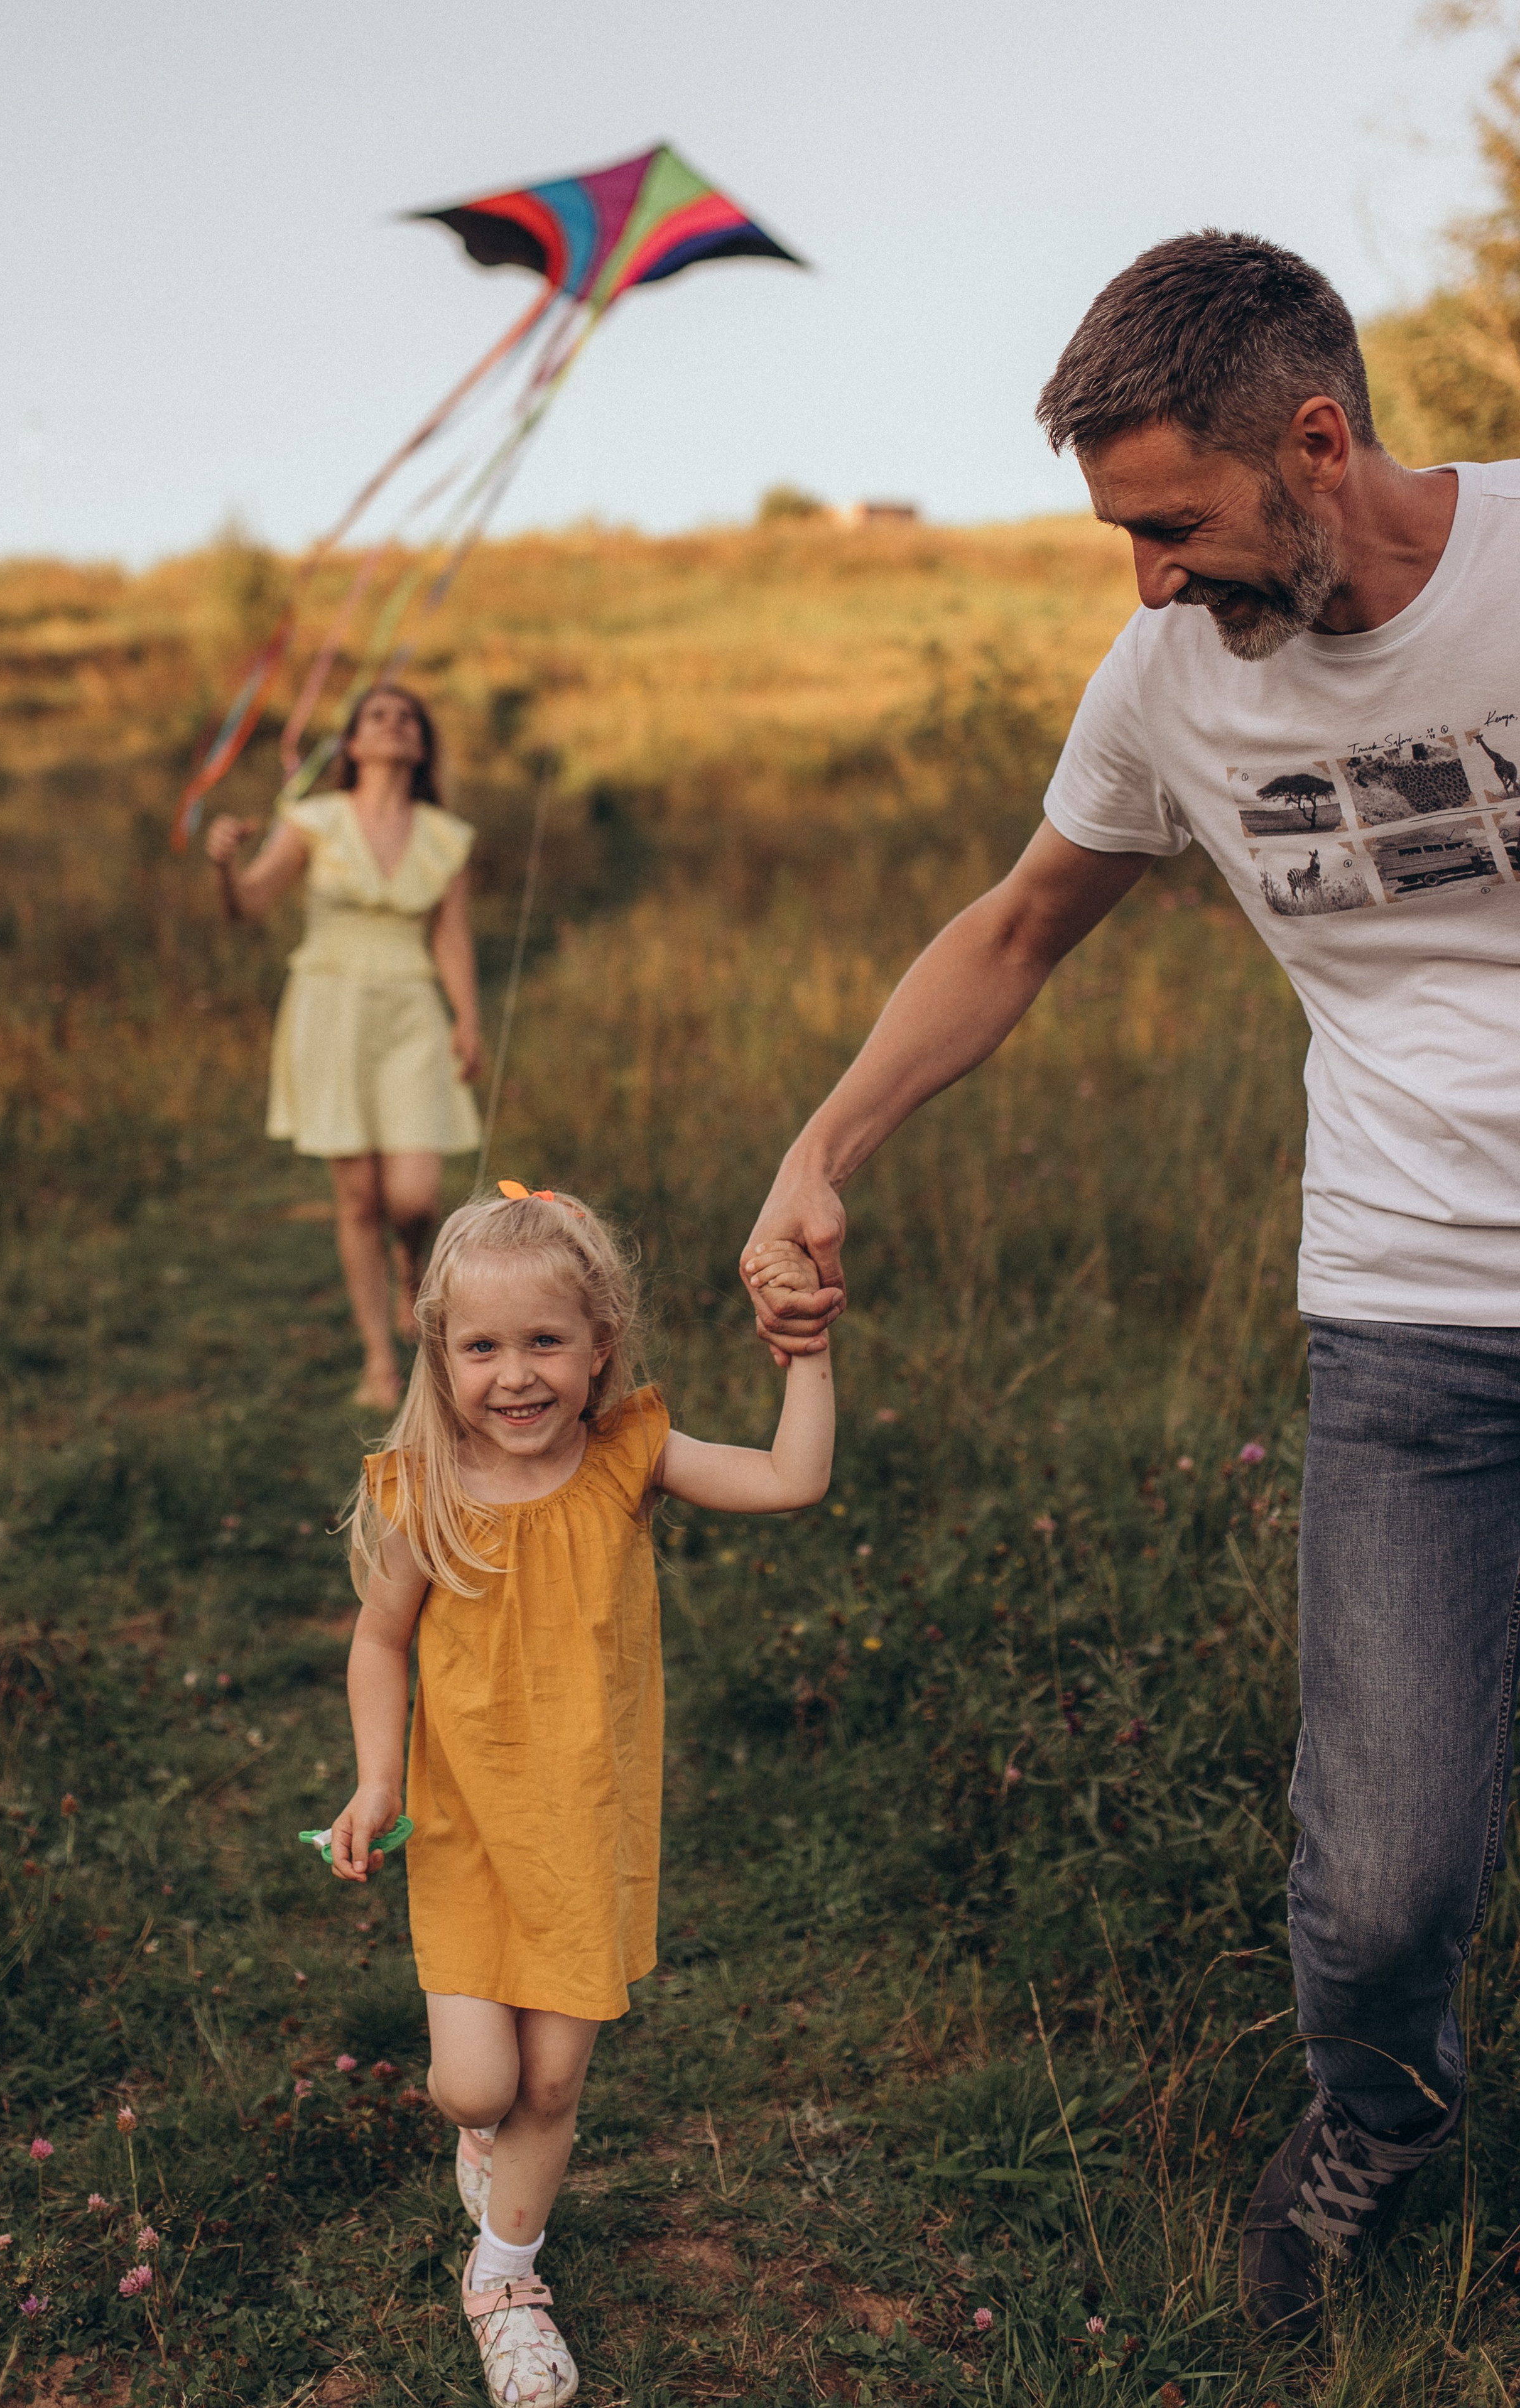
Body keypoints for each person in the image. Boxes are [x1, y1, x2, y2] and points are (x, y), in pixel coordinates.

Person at [742, 230, 1520, 2338]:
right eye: (1122, 536)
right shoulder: (1170, 685)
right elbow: (1017, 925)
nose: (1150, 581)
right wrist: (821, 1150)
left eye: (1172, 526)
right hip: (1409, 1326)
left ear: (1319, 442)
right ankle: (1381, 2106)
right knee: (1382, 1883)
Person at [324, 1189, 832, 2408]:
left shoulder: (627, 1458)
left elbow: (791, 1477)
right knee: (476, 2087)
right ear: (439, 1351)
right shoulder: (425, 1493)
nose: (515, 1375)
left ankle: (504, 2280)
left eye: (545, 1341)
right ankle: (480, 2140)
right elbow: (378, 1643)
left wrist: (807, 1354)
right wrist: (377, 1777)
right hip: (463, 1831)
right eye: (483, 1347)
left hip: (585, 1832)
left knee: (551, 2085)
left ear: (600, 1344)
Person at [205, 683, 484, 1412]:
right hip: (330, 1011)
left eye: (407, 718)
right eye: (376, 717)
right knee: (358, 1196)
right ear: (352, 743)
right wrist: (225, 866)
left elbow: (450, 936)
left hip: (412, 1012)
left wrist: (467, 1019)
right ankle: (378, 1361)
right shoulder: (314, 821)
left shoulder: (444, 835)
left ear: (420, 745)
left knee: (414, 1195)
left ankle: (411, 1264)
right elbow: (249, 905)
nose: (393, 725)